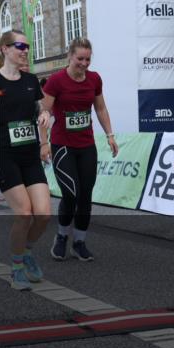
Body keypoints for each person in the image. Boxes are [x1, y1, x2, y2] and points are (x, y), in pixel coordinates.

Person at [0, 30, 51, 291]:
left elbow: (41, 109)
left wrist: (44, 120)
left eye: (27, 46)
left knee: (43, 214)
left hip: (29, 155)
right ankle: (16, 268)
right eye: (20, 45)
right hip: (3, 156)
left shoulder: (30, 80)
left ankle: (25, 251)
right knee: (24, 213)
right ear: (5, 49)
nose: (25, 50)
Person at [42, 38, 118, 262]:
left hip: (86, 146)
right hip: (62, 145)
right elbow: (44, 114)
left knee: (85, 195)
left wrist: (110, 135)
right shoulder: (56, 81)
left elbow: (101, 108)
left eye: (87, 59)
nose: (84, 63)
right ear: (70, 56)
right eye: (80, 59)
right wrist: (43, 143)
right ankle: (62, 236)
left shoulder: (94, 79)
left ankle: (79, 242)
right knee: (71, 193)